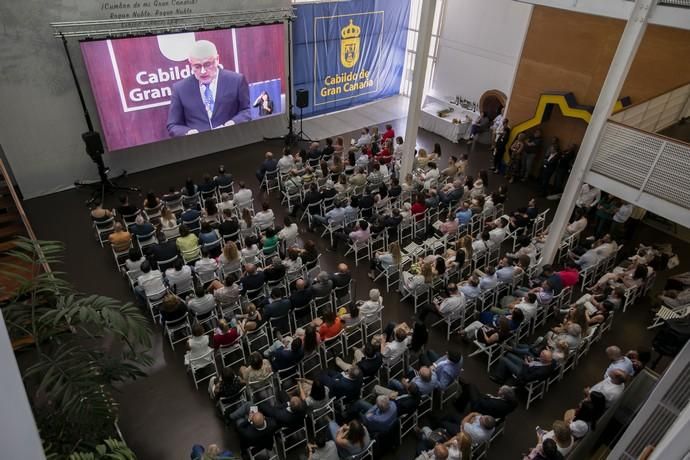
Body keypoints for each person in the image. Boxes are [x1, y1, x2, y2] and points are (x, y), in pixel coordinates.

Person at [167, 40, 251, 136]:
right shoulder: (180, 89)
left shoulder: (236, 80)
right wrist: (189, 133)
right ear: (190, 64)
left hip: (232, 141)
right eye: (197, 66)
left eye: (207, 64)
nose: (203, 71)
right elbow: (173, 125)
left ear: (217, 59)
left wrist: (231, 124)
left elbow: (246, 111)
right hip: (200, 147)